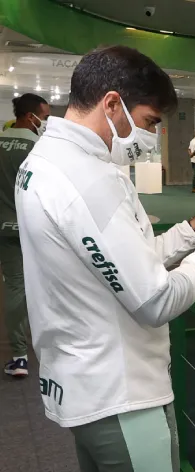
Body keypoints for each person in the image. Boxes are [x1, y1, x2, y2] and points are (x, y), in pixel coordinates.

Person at [15, 45, 195, 472]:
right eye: (149, 122)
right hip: (120, 395)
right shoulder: (89, 178)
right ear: (112, 103)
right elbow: (154, 300)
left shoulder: (47, 160)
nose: (150, 138)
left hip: (83, 383)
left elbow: (122, 266)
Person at [1, 93, 49, 378]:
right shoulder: (37, 147)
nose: (43, 122)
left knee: (15, 285)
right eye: (43, 117)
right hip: (23, 228)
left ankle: (20, 353)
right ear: (31, 116)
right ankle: (20, 355)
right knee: (20, 287)